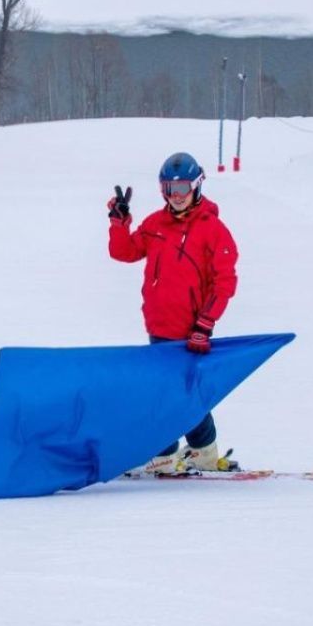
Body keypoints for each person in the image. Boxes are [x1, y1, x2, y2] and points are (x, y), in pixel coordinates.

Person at [107, 152, 239, 474]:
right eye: (169, 189)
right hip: (159, 326)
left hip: (192, 332)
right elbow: (123, 252)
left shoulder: (213, 230)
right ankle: (198, 451)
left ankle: (167, 452)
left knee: (173, 393)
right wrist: (119, 223)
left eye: (182, 189)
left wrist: (205, 324)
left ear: (197, 185)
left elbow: (225, 282)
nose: (176, 197)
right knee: (179, 392)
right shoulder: (155, 224)